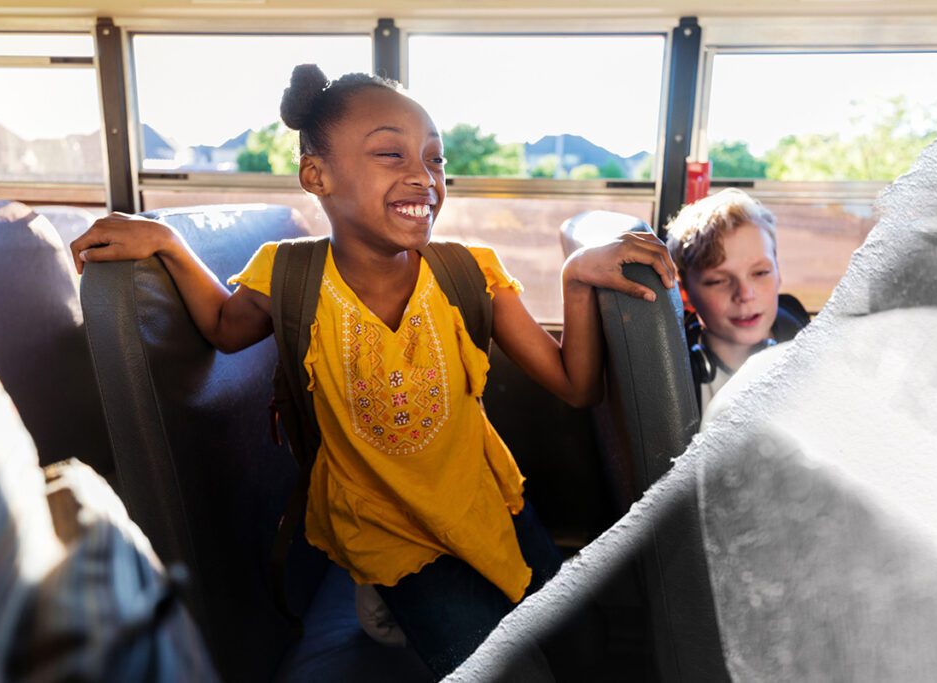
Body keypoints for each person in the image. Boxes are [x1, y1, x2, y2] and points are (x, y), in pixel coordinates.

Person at [70, 64, 676, 678]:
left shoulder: (470, 274)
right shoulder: (288, 276)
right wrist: (169, 244)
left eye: (435, 160)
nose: (423, 175)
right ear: (317, 175)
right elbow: (225, 330)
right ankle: (384, 590)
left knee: (584, 643)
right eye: (390, 152)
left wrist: (575, 277)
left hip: (488, 505)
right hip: (387, 531)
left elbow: (576, 386)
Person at [665, 188, 807, 411]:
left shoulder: (808, 343)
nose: (745, 294)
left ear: (779, 272)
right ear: (685, 293)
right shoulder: (673, 379)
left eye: (760, 273)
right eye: (718, 281)